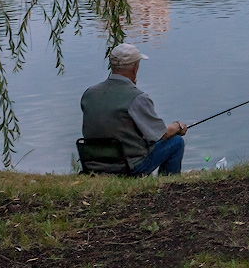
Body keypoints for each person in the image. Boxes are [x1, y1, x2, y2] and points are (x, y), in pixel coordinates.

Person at [80, 43, 187, 176]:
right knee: (176, 142)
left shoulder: (89, 94)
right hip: (127, 166)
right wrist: (177, 127)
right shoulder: (137, 98)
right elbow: (162, 134)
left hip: (94, 164)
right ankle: (168, 186)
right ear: (135, 68)